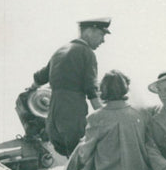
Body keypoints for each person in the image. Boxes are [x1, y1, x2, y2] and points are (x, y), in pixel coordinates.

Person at [59, 70, 152, 170]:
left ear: (103, 90)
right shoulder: (139, 114)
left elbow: (84, 154)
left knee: (83, 148)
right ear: (125, 89)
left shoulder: (97, 117)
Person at [32, 18, 111, 156]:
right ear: (89, 32)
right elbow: (91, 92)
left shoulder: (60, 51)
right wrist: (107, 117)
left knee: (67, 154)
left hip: (53, 117)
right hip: (72, 114)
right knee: (78, 155)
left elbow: (40, 77)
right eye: (101, 35)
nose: (103, 40)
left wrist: (31, 89)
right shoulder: (87, 53)